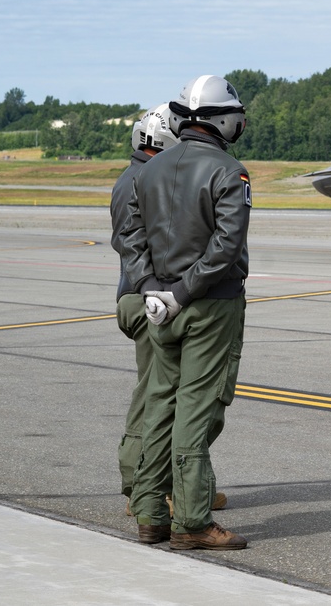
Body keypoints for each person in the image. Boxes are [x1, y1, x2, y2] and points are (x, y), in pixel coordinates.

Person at [119, 75, 251, 550]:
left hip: (160, 308)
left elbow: (129, 238)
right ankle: (192, 521)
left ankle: (151, 513)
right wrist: (183, 291)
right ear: (224, 121)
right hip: (210, 306)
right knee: (197, 406)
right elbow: (226, 245)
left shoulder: (149, 171)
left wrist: (152, 288)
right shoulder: (229, 172)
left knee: (160, 404)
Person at [110, 104, 228, 519]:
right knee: (161, 397)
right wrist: (158, 291)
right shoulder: (145, 178)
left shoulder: (132, 176)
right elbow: (132, 241)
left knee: (163, 395)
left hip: (138, 297)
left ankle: (167, 487)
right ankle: (147, 489)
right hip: (149, 300)